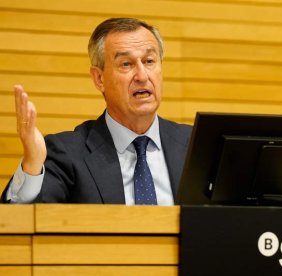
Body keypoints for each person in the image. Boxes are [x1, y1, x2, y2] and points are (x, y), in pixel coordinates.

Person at [1, 18, 192, 205]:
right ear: (99, 78)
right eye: (126, 64)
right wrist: (32, 164)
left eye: (149, 61)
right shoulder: (67, 154)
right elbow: (22, 223)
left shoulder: (195, 145)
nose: (142, 76)